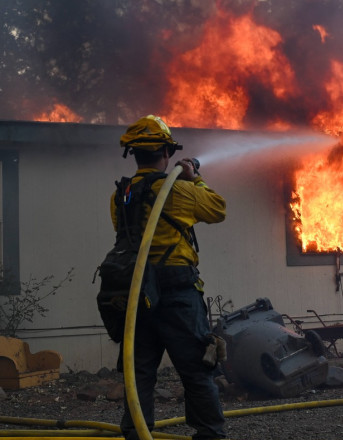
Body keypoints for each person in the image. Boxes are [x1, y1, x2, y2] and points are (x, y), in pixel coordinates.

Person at [112, 115, 227, 440]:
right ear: (166, 151)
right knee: (196, 371)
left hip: (137, 294)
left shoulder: (122, 196)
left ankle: (137, 435)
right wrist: (195, 178)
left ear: (133, 153)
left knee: (140, 375)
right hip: (177, 293)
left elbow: (123, 234)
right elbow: (218, 209)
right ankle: (209, 435)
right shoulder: (178, 190)